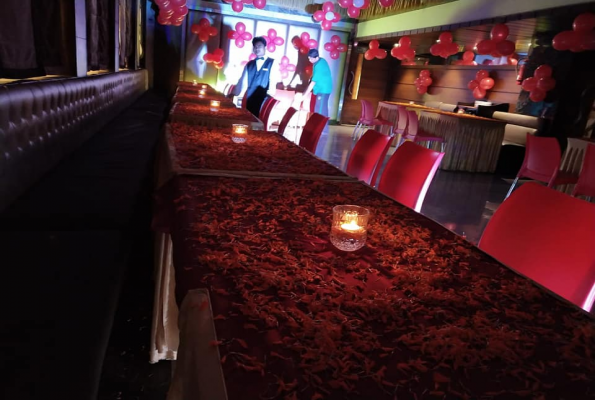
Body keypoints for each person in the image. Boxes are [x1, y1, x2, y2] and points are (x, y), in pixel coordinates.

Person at [232, 37, 280, 117]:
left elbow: (273, 80)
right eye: (255, 47)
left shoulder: (272, 62)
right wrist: (233, 94)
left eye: (259, 46)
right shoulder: (249, 64)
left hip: (264, 99)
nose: (257, 48)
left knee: (259, 120)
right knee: (249, 119)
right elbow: (242, 81)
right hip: (250, 98)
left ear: (265, 47)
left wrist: (269, 98)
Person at [302, 49, 332, 117]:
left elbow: (313, 82)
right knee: (320, 110)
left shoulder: (319, 65)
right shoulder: (319, 61)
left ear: (316, 57)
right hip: (320, 89)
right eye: (309, 58)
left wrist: (304, 95)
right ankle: (321, 124)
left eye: (311, 59)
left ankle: (321, 124)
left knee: (319, 112)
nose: (310, 60)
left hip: (323, 90)